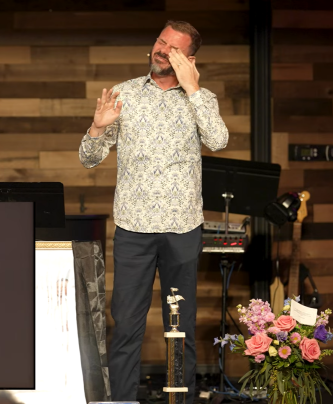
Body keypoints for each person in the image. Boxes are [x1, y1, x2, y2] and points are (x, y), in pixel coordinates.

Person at [79, 20, 229, 403]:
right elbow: (88, 160)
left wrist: (192, 87)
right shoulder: (124, 94)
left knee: (180, 325)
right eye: (161, 42)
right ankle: (123, 400)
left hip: (182, 229)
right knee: (126, 324)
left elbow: (218, 140)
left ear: (189, 58)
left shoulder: (202, 98)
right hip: (134, 229)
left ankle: (182, 399)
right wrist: (97, 129)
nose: (162, 51)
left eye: (173, 48)